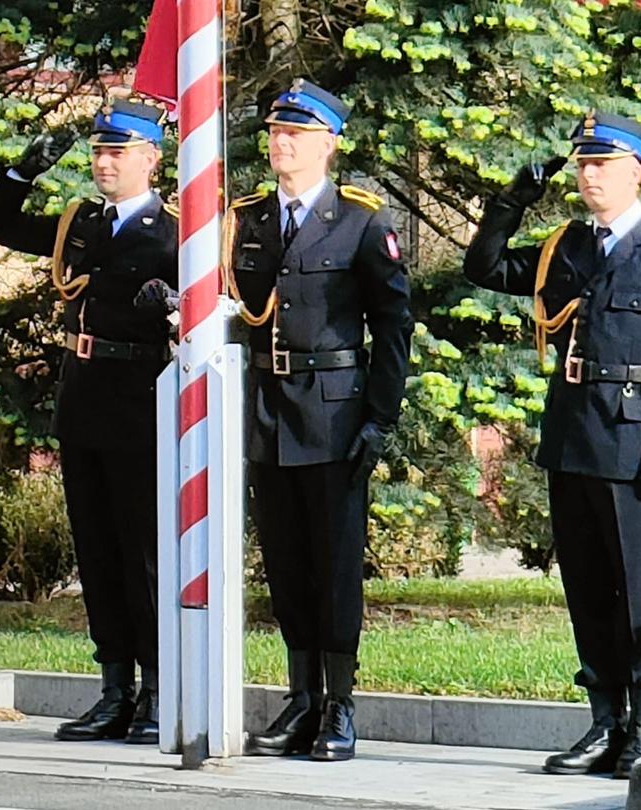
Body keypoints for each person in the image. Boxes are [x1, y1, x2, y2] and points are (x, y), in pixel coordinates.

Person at [459, 112, 641, 778]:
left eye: (603, 164)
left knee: (638, 592)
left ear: (637, 172)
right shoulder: (565, 248)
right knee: (587, 588)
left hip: (635, 448)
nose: (589, 175)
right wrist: (513, 198)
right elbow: (483, 266)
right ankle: (603, 722)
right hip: (573, 441)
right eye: (582, 165)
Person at [0, 98, 180, 746]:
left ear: (151, 158)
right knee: (96, 552)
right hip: (85, 401)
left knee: (141, 554)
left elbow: (207, 310)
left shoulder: (176, 232)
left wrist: (172, 306)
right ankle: (114, 688)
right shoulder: (81, 225)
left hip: (140, 403)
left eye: (117, 152)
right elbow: (1, 225)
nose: (103, 162)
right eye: (98, 151)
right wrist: (19, 176)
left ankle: (157, 689)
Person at [227, 79, 413, 762]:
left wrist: (379, 417)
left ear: (329, 144)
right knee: (284, 562)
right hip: (266, 411)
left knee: (333, 566)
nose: (282, 143)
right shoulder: (246, 219)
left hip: (333, 414)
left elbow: (393, 325)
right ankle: (301, 696)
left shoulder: (361, 221)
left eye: (298, 134)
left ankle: (339, 704)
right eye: (277, 132)